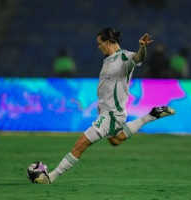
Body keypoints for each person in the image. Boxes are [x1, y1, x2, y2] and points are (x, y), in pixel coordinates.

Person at [34, 27, 176, 184]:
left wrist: (142, 47)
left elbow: (137, 58)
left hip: (112, 115)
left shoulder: (124, 57)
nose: (98, 47)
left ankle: (50, 177)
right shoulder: (109, 59)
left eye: (99, 43)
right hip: (107, 113)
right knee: (115, 140)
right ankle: (152, 115)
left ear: (108, 42)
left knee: (80, 145)